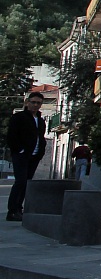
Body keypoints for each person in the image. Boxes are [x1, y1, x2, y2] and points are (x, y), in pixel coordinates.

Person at [6, 92, 47, 222]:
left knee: (27, 183)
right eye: (33, 102)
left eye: (38, 103)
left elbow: (41, 137)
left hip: (34, 156)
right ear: (27, 102)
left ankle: (19, 209)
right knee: (20, 182)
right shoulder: (19, 117)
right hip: (21, 155)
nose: (35, 105)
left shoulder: (40, 121)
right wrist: (20, 150)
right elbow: (12, 136)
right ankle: (12, 211)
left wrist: (41, 151)